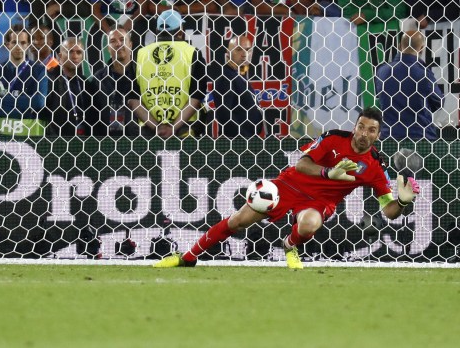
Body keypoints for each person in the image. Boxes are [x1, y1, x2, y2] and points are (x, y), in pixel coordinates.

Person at [154, 107, 421, 269]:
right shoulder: (333, 138)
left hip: (318, 202)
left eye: (370, 130)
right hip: (288, 185)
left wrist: (404, 201)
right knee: (237, 221)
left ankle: (290, 246)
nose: (363, 133)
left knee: (309, 226)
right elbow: (303, 164)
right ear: (355, 126)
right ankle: (187, 257)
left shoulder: (375, 165)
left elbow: (389, 211)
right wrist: (329, 172)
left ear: (377, 135)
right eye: (360, 126)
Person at [133, 10, 207, 138]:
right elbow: (196, 96)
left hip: (148, 132)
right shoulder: (193, 53)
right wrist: (173, 128)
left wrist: (157, 127)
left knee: (150, 159)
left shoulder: (140, 55)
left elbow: (133, 100)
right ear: (180, 31)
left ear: (157, 31)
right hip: (185, 130)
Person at [0, 24, 48, 137]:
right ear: (7, 45)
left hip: (28, 135)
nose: (18, 46)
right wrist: (24, 108)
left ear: (28, 45)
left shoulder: (39, 70)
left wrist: (3, 99)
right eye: (14, 42)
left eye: (22, 43)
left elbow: (39, 102)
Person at [376, 31, 444, 140]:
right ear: (421, 48)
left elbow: (381, 98)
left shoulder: (382, 71)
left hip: (389, 138)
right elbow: (439, 101)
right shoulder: (423, 73)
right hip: (420, 137)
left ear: (399, 46)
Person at [89, 26, 141, 136]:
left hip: (139, 141)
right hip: (107, 143)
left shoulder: (141, 75)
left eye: (122, 40)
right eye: (113, 41)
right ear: (108, 48)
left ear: (130, 44)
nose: (118, 44)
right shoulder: (99, 79)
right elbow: (92, 116)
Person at [209, 34, 264, 137]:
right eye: (239, 49)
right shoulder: (226, 77)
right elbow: (224, 114)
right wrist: (241, 139)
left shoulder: (238, 76)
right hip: (236, 144)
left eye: (248, 50)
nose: (244, 54)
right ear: (228, 53)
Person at [45, 36, 90, 136]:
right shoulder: (50, 80)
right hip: (56, 141)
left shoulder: (85, 84)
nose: (75, 56)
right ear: (60, 56)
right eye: (70, 52)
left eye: (79, 52)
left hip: (83, 142)